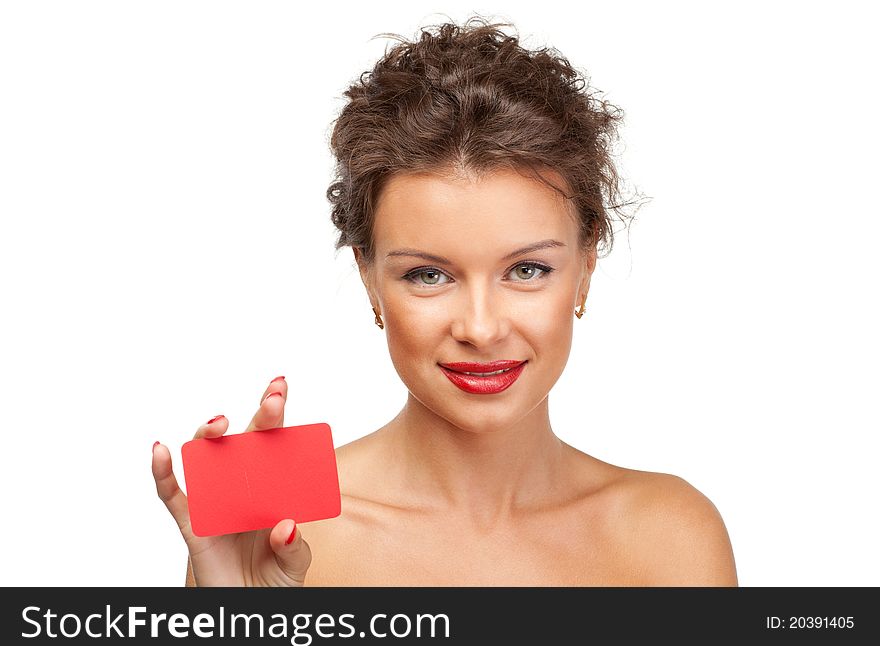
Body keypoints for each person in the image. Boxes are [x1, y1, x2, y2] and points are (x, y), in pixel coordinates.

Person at [151, 16, 738, 586]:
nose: (480, 329)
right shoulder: (280, 529)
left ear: (585, 269)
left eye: (527, 270)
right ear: (368, 278)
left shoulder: (671, 535)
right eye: (429, 276)